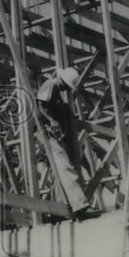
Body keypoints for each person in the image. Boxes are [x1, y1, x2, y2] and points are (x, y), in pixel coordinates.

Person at [35, 66, 99, 218]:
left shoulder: (57, 91)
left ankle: (59, 210)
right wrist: (51, 121)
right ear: (62, 81)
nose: (66, 90)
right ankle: (80, 205)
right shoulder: (51, 85)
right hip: (48, 135)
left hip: (54, 134)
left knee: (58, 172)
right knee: (65, 167)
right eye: (67, 86)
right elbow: (39, 107)